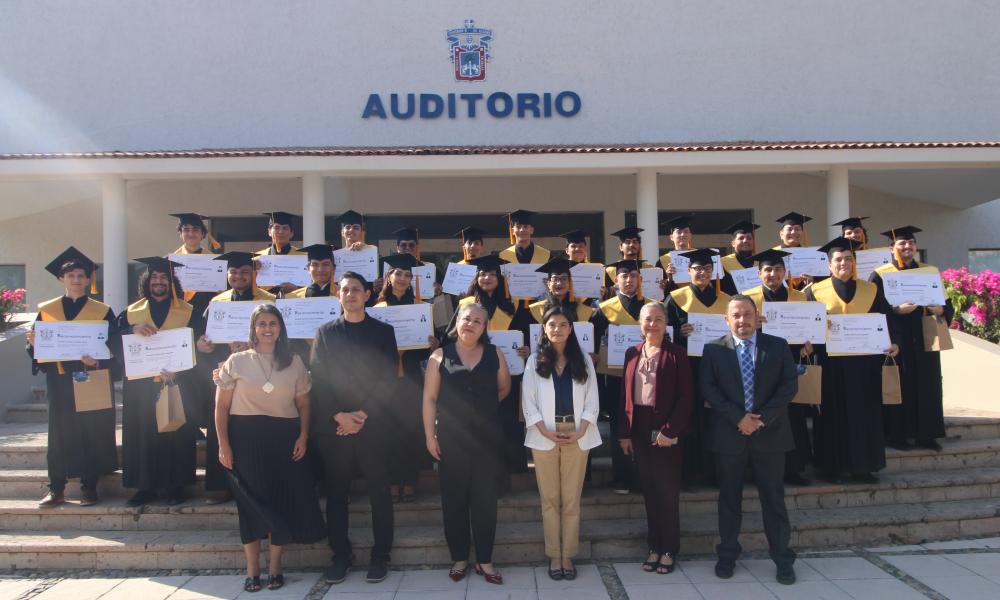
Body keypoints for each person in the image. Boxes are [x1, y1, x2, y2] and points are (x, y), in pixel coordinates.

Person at [214, 304, 325, 593]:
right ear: (253, 329)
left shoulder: (294, 362)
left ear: (280, 328)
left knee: (280, 500)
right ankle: (253, 570)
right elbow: (221, 406)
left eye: (272, 323)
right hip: (245, 439)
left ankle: (275, 567)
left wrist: (303, 436)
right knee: (250, 504)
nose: (267, 329)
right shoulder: (236, 361)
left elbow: (304, 404)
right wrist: (223, 444)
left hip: (284, 438)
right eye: (261, 323)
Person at [699, 295, 799, 585]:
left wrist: (761, 418)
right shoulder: (713, 349)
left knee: (774, 500)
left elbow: (789, 386)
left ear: (757, 317)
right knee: (729, 498)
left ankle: (782, 558)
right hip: (730, 435)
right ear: (726, 319)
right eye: (736, 315)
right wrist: (738, 419)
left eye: (747, 315)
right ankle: (727, 554)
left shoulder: (777, 346)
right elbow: (708, 388)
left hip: (770, 436)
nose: (742, 321)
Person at [311, 271, 399, 584]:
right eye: (345, 290)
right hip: (336, 427)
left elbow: (389, 378)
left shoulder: (383, 331)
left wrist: (361, 414)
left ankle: (381, 555)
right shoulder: (325, 332)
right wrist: (339, 415)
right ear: (339, 295)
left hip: (373, 424)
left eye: (356, 290)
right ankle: (341, 555)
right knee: (336, 493)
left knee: (379, 491)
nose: (350, 295)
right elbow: (319, 380)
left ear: (366, 295)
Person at [422, 303, 511, 584]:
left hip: (487, 439)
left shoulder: (494, 353)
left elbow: (504, 388)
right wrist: (429, 436)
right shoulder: (440, 355)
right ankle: (460, 557)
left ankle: (485, 559)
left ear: (485, 327)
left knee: (485, 501)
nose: (470, 324)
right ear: (456, 322)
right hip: (452, 438)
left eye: (477, 321)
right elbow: (429, 399)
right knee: (454, 500)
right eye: (466, 318)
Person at [28, 247, 119, 508]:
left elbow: (114, 347)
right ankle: (56, 488)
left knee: (92, 431)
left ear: (89, 280)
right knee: (58, 434)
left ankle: (89, 486)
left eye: (81, 275)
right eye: (71, 276)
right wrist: (33, 343)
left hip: (90, 378)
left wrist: (99, 361)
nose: (76, 280)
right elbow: (35, 349)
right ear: (61, 279)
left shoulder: (102, 311)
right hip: (59, 381)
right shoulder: (47, 311)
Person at [806, 237, 899, 483]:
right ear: (829, 265)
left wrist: (893, 342)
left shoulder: (872, 290)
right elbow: (806, 329)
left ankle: (865, 466)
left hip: (864, 364)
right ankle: (831, 468)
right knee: (832, 415)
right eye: (838, 260)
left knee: (865, 414)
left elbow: (887, 321)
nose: (844, 263)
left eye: (849, 259)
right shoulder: (814, 292)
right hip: (831, 364)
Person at [522, 306, 601, 581]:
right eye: (552, 324)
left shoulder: (583, 360)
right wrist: (543, 429)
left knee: (571, 499)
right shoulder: (534, 361)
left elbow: (593, 398)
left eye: (563, 324)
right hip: (544, 433)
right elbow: (528, 400)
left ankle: (568, 554)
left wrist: (582, 430)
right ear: (544, 329)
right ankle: (554, 555)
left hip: (577, 433)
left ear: (571, 328)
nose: (557, 329)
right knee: (550, 499)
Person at [196, 251, 277, 504]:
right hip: (225, 372)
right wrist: (204, 346)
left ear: (253, 274)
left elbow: (280, 337)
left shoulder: (270, 301)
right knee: (221, 423)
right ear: (227, 275)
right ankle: (220, 485)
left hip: (260, 372)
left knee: (255, 426)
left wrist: (251, 346)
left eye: (244, 271)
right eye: (234, 272)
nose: (239, 276)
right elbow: (204, 338)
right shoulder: (217, 303)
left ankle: (258, 484)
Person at [116, 257, 198, 507]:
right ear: (147, 282)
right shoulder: (132, 312)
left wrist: (182, 369)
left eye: (164, 278)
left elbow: (197, 344)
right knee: (143, 434)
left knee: (177, 433)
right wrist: (131, 330)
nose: (159, 282)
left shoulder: (188, 311)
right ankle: (145, 487)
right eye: (154, 278)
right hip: (141, 386)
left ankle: (176, 486)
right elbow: (112, 339)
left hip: (177, 383)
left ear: (172, 282)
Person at [618, 303, 692, 575]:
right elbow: (624, 396)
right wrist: (624, 433)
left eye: (658, 319)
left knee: (667, 493)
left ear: (666, 323)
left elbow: (686, 398)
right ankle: (654, 546)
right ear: (640, 323)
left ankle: (669, 548)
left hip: (665, 429)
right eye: (648, 319)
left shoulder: (677, 354)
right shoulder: (632, 353)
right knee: (649, 492)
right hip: (639, 427)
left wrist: (670, 430)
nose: (653, 324)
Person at [870, 226, 953, 451]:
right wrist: (896, 311)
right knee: (899, 385)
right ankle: (897, 436)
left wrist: (940, 310)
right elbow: (874, 309)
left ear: (916, 247)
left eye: (911, 243)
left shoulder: (929, 271)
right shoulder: (880, 274)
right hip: (897, 338)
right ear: (891, 248)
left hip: (925, 337)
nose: (907, 247)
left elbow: (947, 307)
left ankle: (927, 435)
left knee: (928, 384)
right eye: (902, 243)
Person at [743, 249, 815, 486]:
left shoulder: (799, 298)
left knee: (793, 418)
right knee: (762, 418)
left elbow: (809, 332)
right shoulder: (748, 299)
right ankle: (757, 471)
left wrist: (808, 344)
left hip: (790, 366)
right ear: (759, 273)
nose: (772, 274)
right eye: (767, 270)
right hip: (757, 368)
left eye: (777, 269)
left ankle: (793, 469)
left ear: (785, 272)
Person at [665, 248, 732, 486]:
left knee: (717, 418)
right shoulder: (676, 298)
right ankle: (690, 472)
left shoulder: (727, 300)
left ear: (713, 272)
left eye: (706, 269)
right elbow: (665, 333)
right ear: (688, 271)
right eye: (697, 269)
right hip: (688, 368)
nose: (702, 273)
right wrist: (679, 334)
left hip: (720, 369)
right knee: (689, 416)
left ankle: (715, 472)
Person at [376, 253, 439, 503]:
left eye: (406, 275)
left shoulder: (420, 308)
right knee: (389, 430)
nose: (402, 278)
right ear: (389, 277)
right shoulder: (377, 308)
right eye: (397, 273)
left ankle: (409, 481)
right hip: (386, 378)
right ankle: (392, 481)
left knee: (411, 428)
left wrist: (433, 345)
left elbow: (427, 348)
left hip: (413, 377)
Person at [592, 259, 653, 494]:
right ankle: (623, 476)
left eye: (633, 276)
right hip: (616, 376)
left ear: (640, 280)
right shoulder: (605, 308)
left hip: (648, 375)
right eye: (624, 276)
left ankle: (644, 476)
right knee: (621, 423)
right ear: (616, 281)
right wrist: (595, 353)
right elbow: (594, 338)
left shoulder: (651, 306)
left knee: (645, 422)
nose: (629, 280)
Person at [255, 211, 306, 296]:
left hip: (295, 302)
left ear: (291, 233)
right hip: (266, 303)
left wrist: (296, 289)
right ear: (269, 232)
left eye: (285, 228)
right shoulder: (257, 258)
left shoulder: (303, 257)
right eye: (276, 227)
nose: (280, 232)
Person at [338, 210, 382, 304]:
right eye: (348, 227)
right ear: (342, 232)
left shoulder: (372, 254)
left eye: (356, 227)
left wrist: (365, 249)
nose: (351, 230)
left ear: (362, 232)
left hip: (368, 302)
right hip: (345, 302)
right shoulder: (337, 257)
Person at [604, 227, 654, 296]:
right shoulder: (611, 270)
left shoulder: (649, 268)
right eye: (627, 242)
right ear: (621, 247)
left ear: (639, 246)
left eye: (635, 242)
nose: (631, 245)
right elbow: (606, 295)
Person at [773, 212, 817, 289]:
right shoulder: (772, 254)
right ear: (781, 234)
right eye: (789, 229)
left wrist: (812, 281)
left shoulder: (811, 256)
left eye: (797, 229)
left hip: (805, 296)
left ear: (803, 234)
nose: (793, 232)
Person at [720, 220, 760, 296]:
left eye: (749, 238)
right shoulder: (722, 264)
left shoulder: (761, 262)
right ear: (733, 243)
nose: (745, 241)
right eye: (741, 238)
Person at [657, 215, 696, 290]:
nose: (683, 234)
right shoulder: (662, 261)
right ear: (671, 237)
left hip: (697, 299)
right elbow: (660, 289)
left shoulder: (700, 255)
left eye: (686, 231)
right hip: (674, 299)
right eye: (679, 232)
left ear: (690, 236)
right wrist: (669, 279)